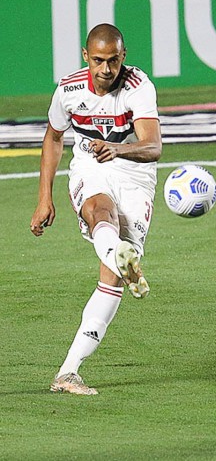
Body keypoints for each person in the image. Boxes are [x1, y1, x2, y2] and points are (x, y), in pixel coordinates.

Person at [30, 23, 162, 395]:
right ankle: (119, 251)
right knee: (98, 209)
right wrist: (45, 197)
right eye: (99, 60)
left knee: (112, 277)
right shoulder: (69, 89)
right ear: (86, 56)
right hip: (91, 164)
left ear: (124, 57)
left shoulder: (139, 86)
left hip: (134, 172)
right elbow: (54, 137)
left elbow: (153, 146)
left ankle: (68, 372)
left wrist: (120, 149)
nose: (107, 69)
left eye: (114, 61)